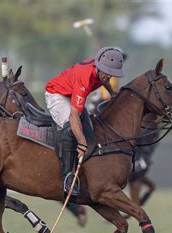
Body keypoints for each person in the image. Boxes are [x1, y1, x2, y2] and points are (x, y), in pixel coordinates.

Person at [44, 47, 125, 195]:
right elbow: (74, 115)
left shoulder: (101, 71)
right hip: (58, 94)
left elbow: (104, 80)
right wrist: (81, 142)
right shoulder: (85, 78)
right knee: (72, 130)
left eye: (112, 75)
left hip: (73, 95)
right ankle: (67, 178)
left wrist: (113, 93)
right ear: (99, 68)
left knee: (90, 134)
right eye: (107, 73)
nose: (109, 77)